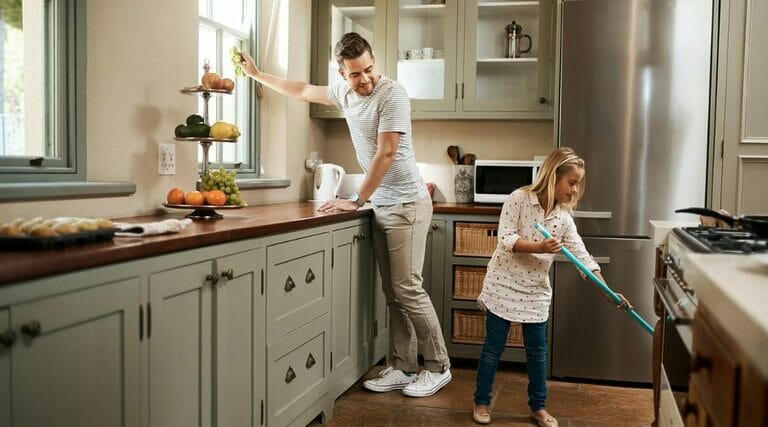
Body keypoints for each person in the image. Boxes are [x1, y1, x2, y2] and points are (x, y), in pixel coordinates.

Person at [237, 32, 452, 397]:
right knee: (393, 292)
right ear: (342, 73)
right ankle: (403, 365)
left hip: (407, 204)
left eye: (368, 69)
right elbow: (301, 89)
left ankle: (438, 365)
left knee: (408, 288)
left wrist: (355, 199)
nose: (364, 79)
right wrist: (257, 75)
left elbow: (387, 153)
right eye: (355, 74)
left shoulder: (392, 94)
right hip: (382, 203)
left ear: (374, 61)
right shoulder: (343, 93)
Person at [471, 147, 631, 426]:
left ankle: (538, 406)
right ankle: (482, 402)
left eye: (577, 183)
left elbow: (584, 259)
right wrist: (541, 246)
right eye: (572, 182)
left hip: (535, 291)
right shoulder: (518, 199)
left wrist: (608, 293)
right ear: (552, 176)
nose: (574, 189)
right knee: (492, 349)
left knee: (537, 352)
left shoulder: (563, 220)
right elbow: (506, 239)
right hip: (503, 284)